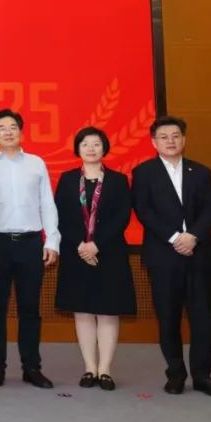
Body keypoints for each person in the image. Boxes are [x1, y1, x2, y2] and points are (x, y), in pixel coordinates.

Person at [132, 116, 211, 398]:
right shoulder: (144, 172)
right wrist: (174, 238)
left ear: (184, 139)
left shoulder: (201, 171)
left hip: (199, 253)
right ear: (154, 142)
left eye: (175, 136)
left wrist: (192, 236)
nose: (170, 141)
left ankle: (203, 375)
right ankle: (175, 373)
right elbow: (144, 211)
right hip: (164, 256)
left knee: (202, 317)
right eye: (164, 137)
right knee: (168, 317)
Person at [0, 108, 60, 389]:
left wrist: (51, 241)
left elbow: (47, 203)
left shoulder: (36, 163)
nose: (8, 132)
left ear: (21, 132)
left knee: (30, 309)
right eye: (2, 128)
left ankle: (31, 368)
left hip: (30, 243)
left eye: (13, 127)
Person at [54, 127, 136, 391]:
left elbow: (122, 217)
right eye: (85, 144)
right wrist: (81, 245)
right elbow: (60, 216)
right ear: (78, 149)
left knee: (108, 312)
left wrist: (96, 245)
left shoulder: (118, 180)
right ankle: (90, 367)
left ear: (105, 148)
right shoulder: (68, 180)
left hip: (109, 253)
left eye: (96, 144)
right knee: (83, 311)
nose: (91, 148)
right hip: (75, 252)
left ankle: (105, 370)